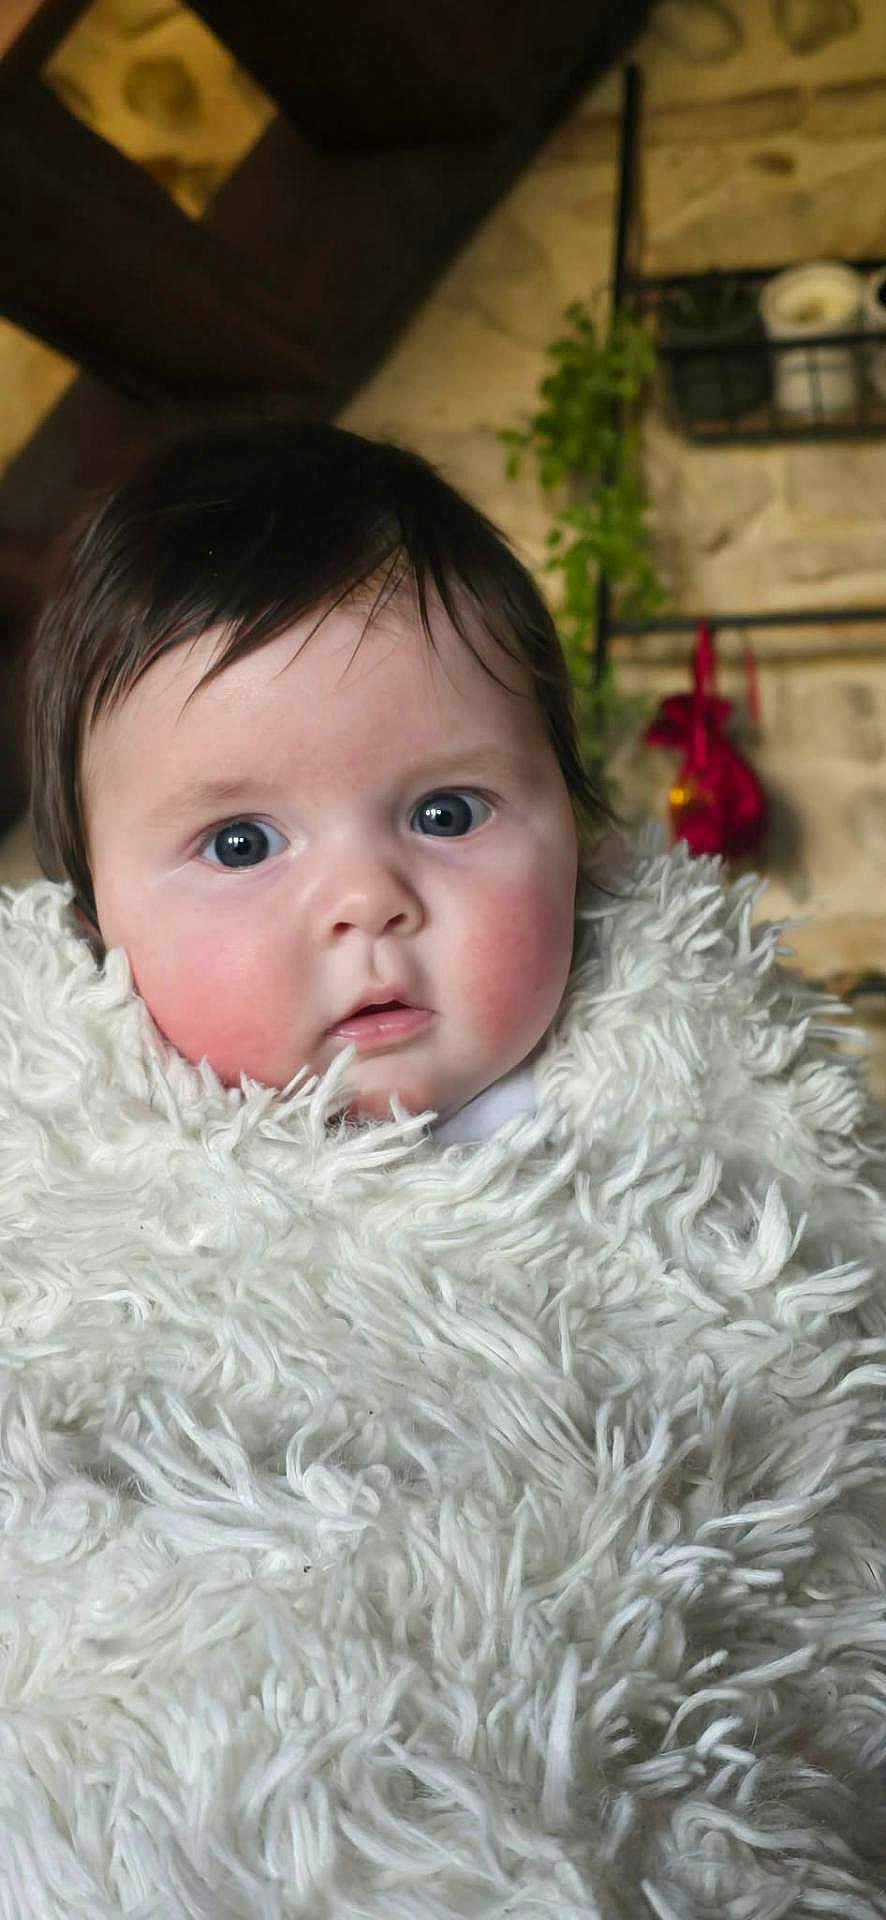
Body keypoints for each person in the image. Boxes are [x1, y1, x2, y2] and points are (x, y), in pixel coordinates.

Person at [3, 420, 886, 1916]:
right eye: (237, 842)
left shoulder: (713, 1116)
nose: (367, 899)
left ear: (575, 834)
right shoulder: (67, 1176)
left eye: (444, 811)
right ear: (96, 920)